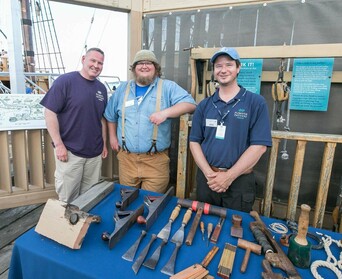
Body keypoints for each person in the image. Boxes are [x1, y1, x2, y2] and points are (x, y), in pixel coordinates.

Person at [189, 47, 272, 212]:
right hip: (208, 179)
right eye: (218, 66)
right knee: (203, 222)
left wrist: (229, 176)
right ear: (214, 71)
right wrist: (208, 173)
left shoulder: (255, 103)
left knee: (235, 228)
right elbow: (194, 141)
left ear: (238, 68)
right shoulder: (204, 105)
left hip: (239, 182)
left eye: (229, 65)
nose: (223, 70)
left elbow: (259, 146)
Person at [105, 49, 196, 193]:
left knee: (151, 206)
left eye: (149, 63)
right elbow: (110, 115)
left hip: (156, 162)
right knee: (127, 202)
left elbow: (190, 105)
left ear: (156, 68)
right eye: (140, 63)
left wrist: (165, 113)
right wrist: (112, 137)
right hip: (126, 160)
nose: (144, 66)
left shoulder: (167, 87)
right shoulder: (122, 89)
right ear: (134, 69)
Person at [40, 47, 108, 203]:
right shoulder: (65, 81)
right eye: (93, 60)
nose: (96, 65)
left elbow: (101, 119)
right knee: (67, 200)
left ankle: (84, 227)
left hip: (94, 154)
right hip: (70, 153)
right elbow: (50, 113)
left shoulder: (101, 89)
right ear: (84, 59)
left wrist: (103, 144)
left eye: (100, 63)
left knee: (90, 197)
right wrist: (59, 145)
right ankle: (66, 228)